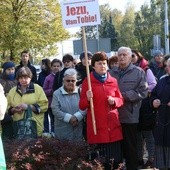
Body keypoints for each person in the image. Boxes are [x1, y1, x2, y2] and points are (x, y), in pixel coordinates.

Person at [79, 51, 124, 169]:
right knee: (100, 163)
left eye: (104, 63)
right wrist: (88, 99)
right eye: (99, 63)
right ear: (93, 66)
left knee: (115, 161)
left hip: (113, 128)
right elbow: (82, 105)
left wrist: (114, 100)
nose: (102, 66)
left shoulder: (113, 81)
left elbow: (121, 100)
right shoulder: (87, 82)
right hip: (97, 128)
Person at [109, 47, 148, 170]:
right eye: (119, 54)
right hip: (114, 116)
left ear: (130, 57)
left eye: (124, 55)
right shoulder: (111, 72)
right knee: (116, 148)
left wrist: (122, 96)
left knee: (130, 147)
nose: (121, 57)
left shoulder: (139, 72)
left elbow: (143, 92)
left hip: (129, 115)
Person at [131, 49, 157, 169]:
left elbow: (153, 84)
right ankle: (139, 158)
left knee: (148, 133)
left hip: (145, 104)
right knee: (137, 134)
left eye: (133, 55)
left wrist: (141, 91)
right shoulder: (128, 71)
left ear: (138, 56)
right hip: (134, 105)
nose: (131, 57)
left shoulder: (146, 69)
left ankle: (151, 159)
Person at [7, 67, 48, 137]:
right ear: (18, 79)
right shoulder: (12, 91)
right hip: (18, 129)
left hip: (35, 128)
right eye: (21, 78)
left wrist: (29, 107)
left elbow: (44, 106)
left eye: (26, 77)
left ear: (30, 77)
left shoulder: (37, 89)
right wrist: (13, 110)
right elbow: (7, 106)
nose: (23, 80)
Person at [51, 68, 86, 141]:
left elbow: (85, 107)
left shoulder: (81, 92)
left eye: (73, 81)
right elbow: (55, 110)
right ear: (63, 80)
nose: (70, 82)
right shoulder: (57, 93)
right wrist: (70, 118)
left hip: (78, 129)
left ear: (76, 81)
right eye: (68, 80)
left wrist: (77, 117)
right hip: (62, 130)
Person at [150, 57, 170, 170]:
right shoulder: (162, 80)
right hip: (162, 122)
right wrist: (154, 101)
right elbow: (153, 94)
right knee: (162, 162)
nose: (167, 68)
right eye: (168, 65)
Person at [43, 59, 62, 136]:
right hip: (50, 102)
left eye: (58, 66)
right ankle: (48, 132)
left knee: (57, 119)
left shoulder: (62, 76)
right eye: (54, 66)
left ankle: (56, 132)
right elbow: (44, 91)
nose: (56, 68)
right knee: (50, 118)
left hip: (60, 102)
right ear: (51, 67)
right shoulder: (48, 78)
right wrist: (51, 91)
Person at [0, 62, 17, 139]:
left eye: (13, 69)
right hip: (5, 111)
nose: (11, 71)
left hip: (16, 110)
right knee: (7, 135)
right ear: (4, 70)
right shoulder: (1, 81)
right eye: (8, 69)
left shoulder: (17, 81)